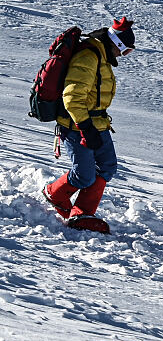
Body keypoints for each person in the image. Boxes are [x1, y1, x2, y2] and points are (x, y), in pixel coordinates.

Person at [41, 17, 136, 234]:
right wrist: (85, 128)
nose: (124, 56)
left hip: (97, 122)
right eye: (126, 50)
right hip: (77, 124)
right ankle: (55, 194)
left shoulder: (100, 56)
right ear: (117, 44)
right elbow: (72, 97)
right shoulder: (88, 56)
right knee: (84, 174)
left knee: (107, 166)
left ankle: (81, 214)